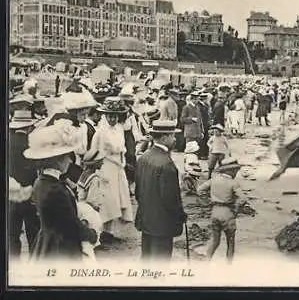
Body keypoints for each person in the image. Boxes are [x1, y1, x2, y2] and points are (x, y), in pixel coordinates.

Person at [26, 118, 98, 261]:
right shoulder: (54, 189)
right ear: (56, 160)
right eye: (66, 157)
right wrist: (91, 233)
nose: (70, 161)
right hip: (60, 247)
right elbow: (70, 225)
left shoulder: (42, 182)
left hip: (48, 240)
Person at [135, 120, 187, 261]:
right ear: (164, 138)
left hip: (146, 219)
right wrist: (180, 215)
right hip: (162, 223)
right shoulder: (167, 165)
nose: (175, 139)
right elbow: (171, 199)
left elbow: (138, 192)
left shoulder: (143, 158)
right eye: (172, 136)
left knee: (146, 258)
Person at [91, 97, 134, 244]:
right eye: (109, 116)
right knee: (106, 200)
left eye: (115, 116)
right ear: (104, 116)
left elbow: (122, 150)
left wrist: (123, 164)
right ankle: (100, 233)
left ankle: (109, 232)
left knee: (116, 199)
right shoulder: (100, 132)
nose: (112, 119)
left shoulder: (119, 129)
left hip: (117, 167)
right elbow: (93, 151)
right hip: (105, 166)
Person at [197, 158, 246, 263]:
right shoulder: (233, 183)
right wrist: (236, 209)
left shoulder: (214, 180)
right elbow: (243, 199)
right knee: (230, 242)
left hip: (215, 211)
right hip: (227, 212)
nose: (236, 172)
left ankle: (206, 262)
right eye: (235, 170)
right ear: (230, 171)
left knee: (215, 240)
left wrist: (207, 202)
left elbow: (200, 190)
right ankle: (228, 267)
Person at [9, 111, 40, 260]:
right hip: (29, 192)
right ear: (29, 126)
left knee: (12, 234)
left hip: (11, 192)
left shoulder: (8, 140)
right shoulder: (31, 143)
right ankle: (34, 265)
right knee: (33, 231)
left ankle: (13, 264)